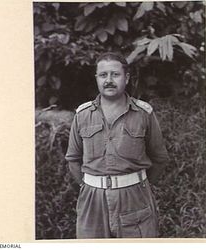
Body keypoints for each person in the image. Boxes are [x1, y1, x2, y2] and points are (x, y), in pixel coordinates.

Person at [65, 52, 169, 238]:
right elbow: (73, 159)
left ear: (127, 78)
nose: (109, 80)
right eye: (103, 75)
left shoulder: (143, 113)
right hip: (92, 201)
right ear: (97, 78)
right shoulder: (83, 114)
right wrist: (89, 186)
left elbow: (160, 159)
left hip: (135, 199)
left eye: (115, 74)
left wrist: (138, 185)